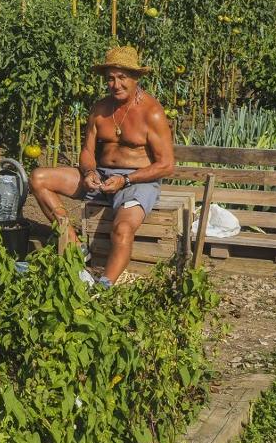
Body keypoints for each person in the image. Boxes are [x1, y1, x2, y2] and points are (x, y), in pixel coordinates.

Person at [29, 45, 175, 288]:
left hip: (137, 182)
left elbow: (167, 165)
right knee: (38, 177)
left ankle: (103, 287)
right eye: (110, 78)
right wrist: (89, 172)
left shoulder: (152, 112)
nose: (116, 85)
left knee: (123, 229)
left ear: (136, 78)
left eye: (122, 78)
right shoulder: (100, 109)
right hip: (102, 176)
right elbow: (87, 151)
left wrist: (126, 180)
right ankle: (75, 247)